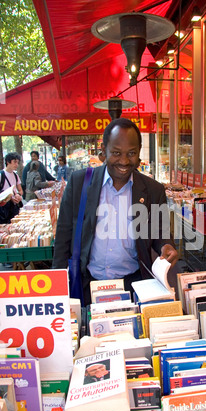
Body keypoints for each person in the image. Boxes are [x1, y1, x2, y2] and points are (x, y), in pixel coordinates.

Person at [52, 117, 178, 306]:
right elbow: (62, 241)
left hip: (134, 286)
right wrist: (58, 291)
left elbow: (159, 233)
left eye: (132, 153)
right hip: (87, 286)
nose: (124, 161)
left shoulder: (153, 190)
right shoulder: (79, 184)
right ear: (103, 151)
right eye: (117, 153)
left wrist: (165, 246)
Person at [0, 152, 23, 224]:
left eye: (17, 162)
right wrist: (9, 197)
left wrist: (18, 195)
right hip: (4, 209)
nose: (16, 165)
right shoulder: (1, 175)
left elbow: (20, 190)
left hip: (14, 207)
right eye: (14, 162)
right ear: (8, 162)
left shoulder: (16, 175)